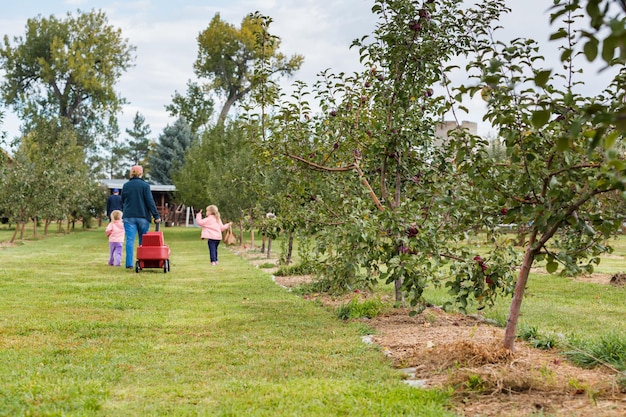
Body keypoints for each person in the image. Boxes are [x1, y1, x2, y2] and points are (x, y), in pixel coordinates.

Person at [121, 165, 161, 269]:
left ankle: (129, 264)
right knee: (143, 240)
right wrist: (156, 215)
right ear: (141, 173)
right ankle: (142, 260)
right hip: (143, 216)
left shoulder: (126, 185)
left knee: (130, 240)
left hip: (129, 216)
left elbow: (123, 200)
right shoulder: (145, 186)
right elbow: (150, 201)